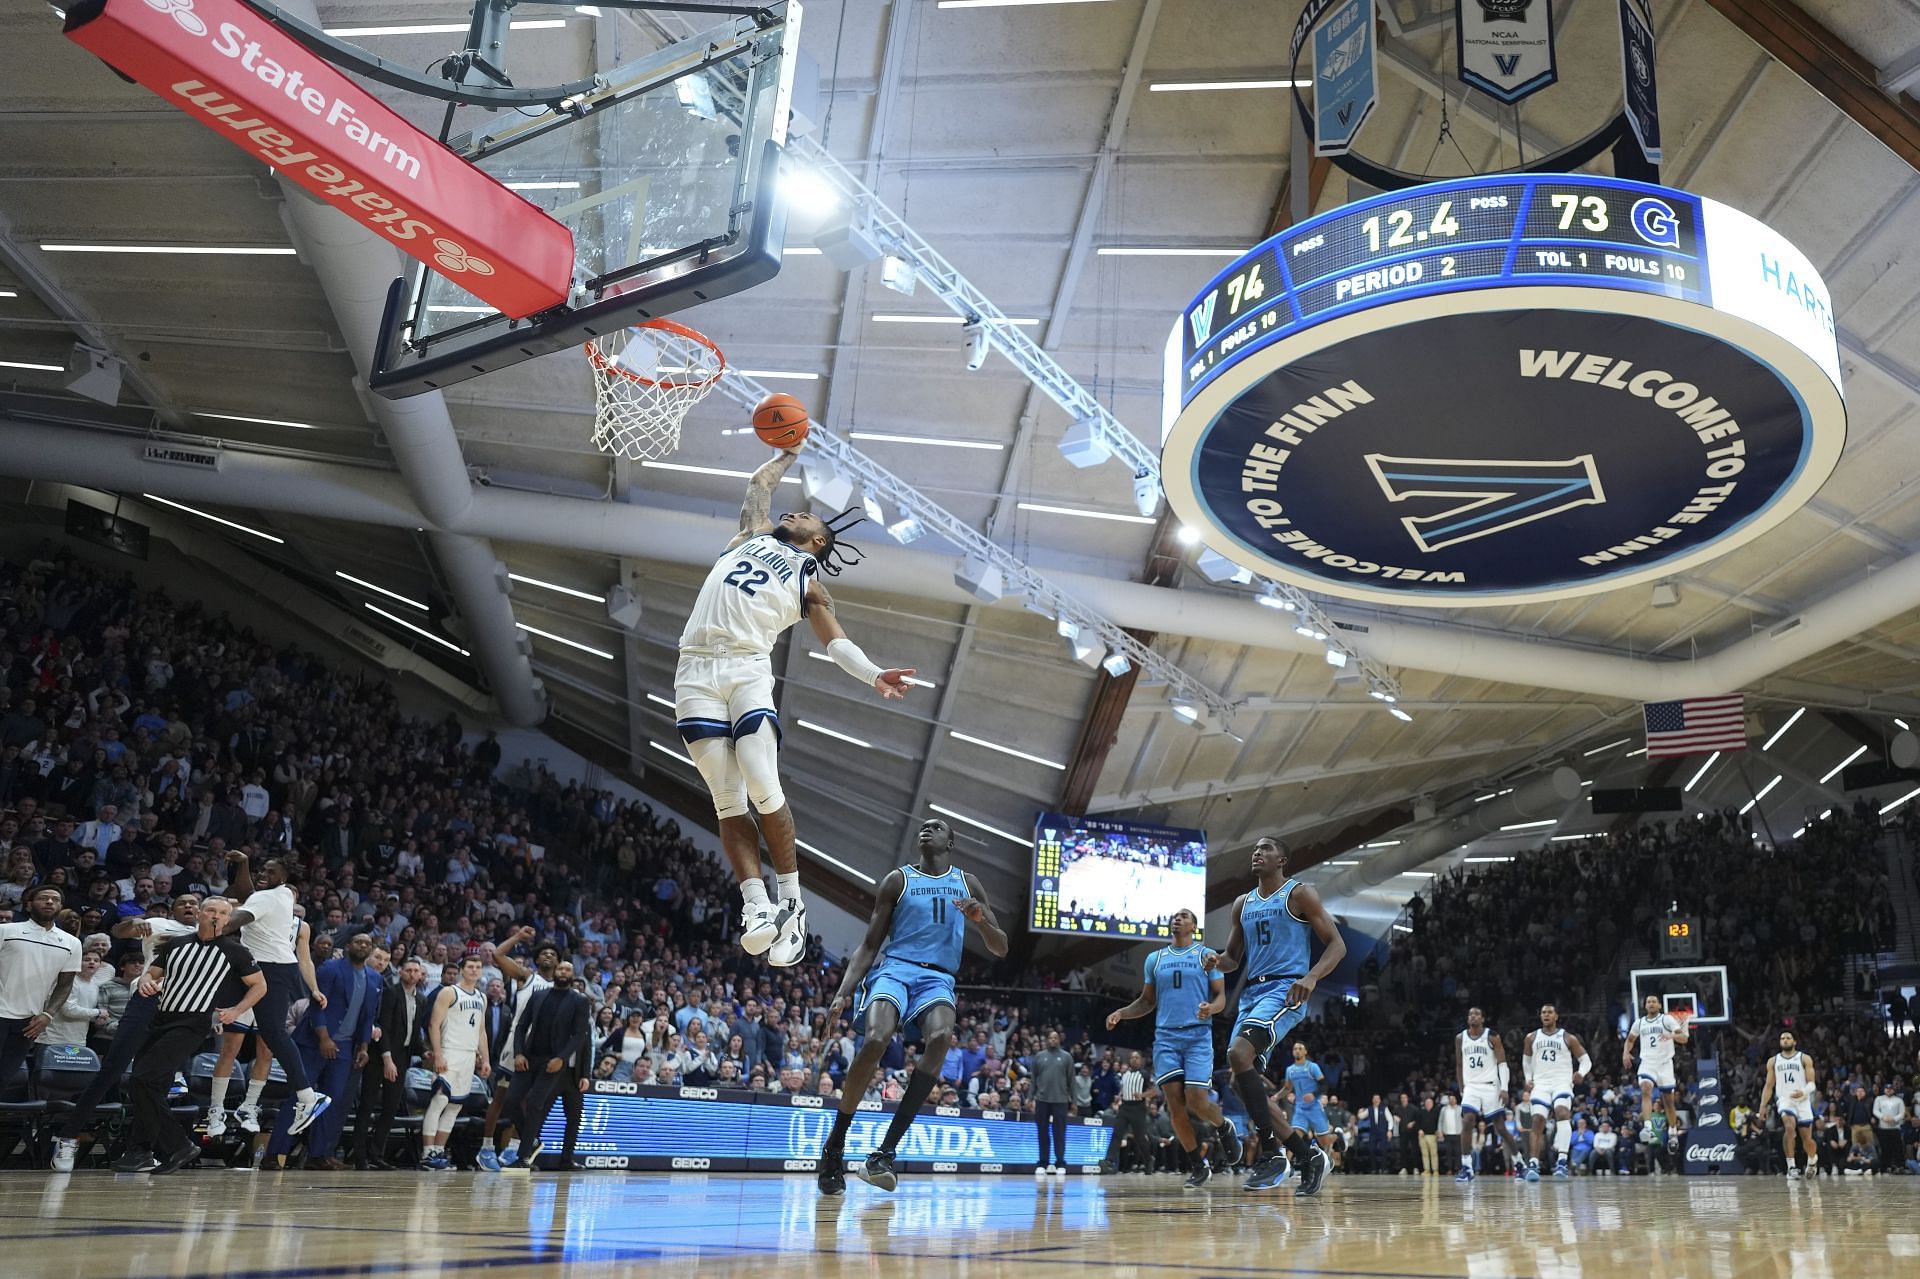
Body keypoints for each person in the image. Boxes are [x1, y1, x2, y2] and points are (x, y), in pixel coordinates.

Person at [675, 449, 916, 967]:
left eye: (805, 516)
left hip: (746, 667)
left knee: (761, 779)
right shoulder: (751, 535)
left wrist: (875, 674)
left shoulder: (811, 584)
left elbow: (837, 645)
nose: (794, 512)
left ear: (819, 539)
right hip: (694, 667)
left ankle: (793, 902)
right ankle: (757, 906)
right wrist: (788, 450)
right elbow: (758, 484)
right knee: (726, 797)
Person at [817, 816, 1007, 1195]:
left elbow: (1000, 946)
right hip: (895, 969)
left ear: (950, 843)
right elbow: (870, 944)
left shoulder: (967, 884)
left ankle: (884, 1154)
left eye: (937, 827)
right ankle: (835, 1145)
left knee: (941, 1037)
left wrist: (981, 921)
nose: (927, 828)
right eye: (924, 826)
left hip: (938, 978)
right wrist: (842, 992)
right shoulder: (897, 880)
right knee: (876, 1039)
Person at [1207, 835, 1345, 1193]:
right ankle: (1307, 1154)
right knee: (1240, 1079)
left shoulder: (1300, 894)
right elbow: (1233, 958)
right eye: (1255, 848)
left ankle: (1271, 1154)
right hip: (1253, 991)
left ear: (1282, 859)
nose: (1257, 852)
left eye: (1266, 848)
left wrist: (1312, 976)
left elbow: (1337, 945)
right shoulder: (1242, 903)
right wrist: (1215, 960)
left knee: (1238, 1055)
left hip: (1285, 989)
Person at [118, 897, 265, 1174]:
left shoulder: (236, 951)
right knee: (146, 1085)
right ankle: (140, 1151)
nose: (216, 916)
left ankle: (179, 1146)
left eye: (223, 913)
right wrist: (148, 983)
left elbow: (259, 986)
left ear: (228, 920)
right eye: (211, 910)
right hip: (160, 1018)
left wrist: (236, 1011)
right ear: (199, 913)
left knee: (144, 1078)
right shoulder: (176, 944)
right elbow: (153, 973)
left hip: (192, 1022)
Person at [1105, 907, 1240, 1187]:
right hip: (1166, 1038)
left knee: (1197, 1101)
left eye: (1183, 916)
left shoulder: (1206, 956)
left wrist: (1210, 1009)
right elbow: (1146, 1002)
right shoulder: (1155, 959)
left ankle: (1224, 1126)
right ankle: (1197, 1165)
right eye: (1175, 916)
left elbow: (1220, 998)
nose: (1176, 919)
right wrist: (1121, 1013)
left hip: (1197, 1037)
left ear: (1194, 927)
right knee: (1175, 1106)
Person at [220, 853, 329, 1135]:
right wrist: (243, 864)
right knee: (258, 1031)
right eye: (262, 869)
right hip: (259, 967)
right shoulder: (277, 895)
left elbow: (235, 921)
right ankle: (305, 1097)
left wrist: (213, 922)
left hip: (272, 970)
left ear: (285, 875)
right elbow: (247, 893)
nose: (264, 873)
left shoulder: (269, 898)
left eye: (272, 869)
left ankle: (307, 1097)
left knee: (273, 1035)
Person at [265, 932, 378, 1169]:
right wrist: (324, 1037)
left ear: (371, 949)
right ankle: (274, 1155)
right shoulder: (330, 968)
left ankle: (318, 1156)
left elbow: (368, 1017)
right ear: (348, 946)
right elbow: (317, 1005)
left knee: (331, 1102)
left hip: (345, 1048)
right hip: (314, 1043)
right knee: (300, 1099)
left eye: (367, 943)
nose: (363, 945)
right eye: (358, 942)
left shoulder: (375, 978)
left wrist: (364, 1046)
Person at [208, 913, 320, 1139]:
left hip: (274, 990)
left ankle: (249, 1107)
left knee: (267, 1050)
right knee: (230, 1048)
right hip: (245, 985)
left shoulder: (301, 927)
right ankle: (216, 1108)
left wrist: (314, 988)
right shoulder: (257, 914)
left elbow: (305, 960)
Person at [0, 885, 81, 1105]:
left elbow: (65, 985)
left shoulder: (72, 943)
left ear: (60, 907)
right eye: (43, 898)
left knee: (3, 1080)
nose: (49, 902)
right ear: (28, 905)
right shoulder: (6, 931)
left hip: (29, 1022)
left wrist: (48, 1014)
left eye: (55, 899)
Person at [509, 960, 592, 1170]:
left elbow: (581, 1036)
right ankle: (532, 1141)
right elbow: (520, 1026)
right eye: (561, 968)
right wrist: (518, 1053)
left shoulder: (579, 1001)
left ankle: (524, 1156)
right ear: (554, 971)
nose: (563, 972)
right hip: (529, 1057)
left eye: (568, 969)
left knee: (536, 1105)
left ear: (573, 975)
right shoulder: (538, 995)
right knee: (511, 1102)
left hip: (554, 1062)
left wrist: (562, 1058)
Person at [478, 927, 547, 1171]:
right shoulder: (528, 977)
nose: (549, 958)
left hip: (543, 1051)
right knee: (501, 1097)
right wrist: (517, 938)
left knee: (528, 1102)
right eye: (544, 954)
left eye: (554, 955)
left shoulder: (564, 990)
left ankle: (516, 1147)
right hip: (516, 1045)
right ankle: (486, 1147)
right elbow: (497, 955)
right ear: (536, 960)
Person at [421, 954, 491, 1171]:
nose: (474, 970)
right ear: (462, 969)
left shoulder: (482, 997)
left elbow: (481, 1031)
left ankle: (439, 1152)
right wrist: (438, 1054)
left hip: (469, 1055)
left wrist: (485, 1059)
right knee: (439, 1101)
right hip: (449, 1051)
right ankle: (427, 1153)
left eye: (478, 967)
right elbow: (433, 1025)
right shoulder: (449, 992)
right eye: (470, 966)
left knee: (454, 1106)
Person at [357, 953, 425, 1169]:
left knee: (390, 1108)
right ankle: (359, 1157)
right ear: (400, 972)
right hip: (380, 1057)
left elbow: (414, 1032)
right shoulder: (391, 993)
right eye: (409, 970)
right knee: (367, 1106)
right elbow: (384, 1028)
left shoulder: (421, 998)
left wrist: (424, 1052)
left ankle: (377, 1154)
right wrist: (387, 1059)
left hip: (402, 1057)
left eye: (416, 971)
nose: (412, 974)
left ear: (421, 975)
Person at [1521, 1003, 1589, 1181]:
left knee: (1562, 1112)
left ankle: (1562, 1161)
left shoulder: (1567, 1037)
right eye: (1543, 1012)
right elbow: (1526, 1061)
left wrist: (1581, 1073)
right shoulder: (1531, 1037)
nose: (1546, 1015)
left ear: (1556, 1016)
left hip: (1561, 1083)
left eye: (1550, 1012)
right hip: (1541, 1084)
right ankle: (1533, 1164)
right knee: (1537, 1120)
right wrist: (1528, 1078)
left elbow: (1585, 1060)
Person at [1454, 1006, 1519, 1182]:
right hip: (1472, 1087)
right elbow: (1459, 1065)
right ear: (1468, 1019)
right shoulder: (1460, 1038)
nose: (1473, 1017)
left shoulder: (1492, 1036)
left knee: (1500, 1128)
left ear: (1482, 1019)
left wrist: (1504, 1088)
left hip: (1491, 1086)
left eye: (1476, 1014)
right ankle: (1467, 1167)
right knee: (1467, 1120)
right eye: (1470, 1015)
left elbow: (1502, 1063)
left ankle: (1518, 1162)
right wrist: (1462, 1089)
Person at [1622, 995, 1690, 1153]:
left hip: (1665, 1064)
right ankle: (1647, 1128)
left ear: (1659, 1005)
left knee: (1668, 1103)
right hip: (1648, 1063)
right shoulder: (1639, 1022)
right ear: (1645, 1006)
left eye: (1653, 1001)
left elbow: (1684, 1038)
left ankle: (1673, 1132)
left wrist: (1671, 1035)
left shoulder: (1666, 1020)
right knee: (1645, 1089)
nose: (1651, 1004)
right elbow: (1630, 1039)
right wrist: (1626, 1052)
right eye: (1648, 1002)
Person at [1757, 1029, 1818, 1179]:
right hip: (1785, 1099)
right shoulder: (1773, 1061)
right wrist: (1762, 1106)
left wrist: (1803, 1092)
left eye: (1788, 1038)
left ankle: (1812, 1160)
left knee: (1807, 1140)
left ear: (1794, 1042)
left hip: (1802, 1100)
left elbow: (1812, 1084)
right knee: (1789, 1128)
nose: (1785, 1040)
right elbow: (1769, 1085)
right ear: (1779, 1042)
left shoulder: (1804, 1058)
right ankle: (1791, 1167)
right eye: (1782, 1038)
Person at [1279, 1042, 1336, 1174]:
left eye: (1300, 1049)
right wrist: (1276, 1097)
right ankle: (1287, 1167)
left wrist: (1314, 1094)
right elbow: (1287, 1088)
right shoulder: (1290, 1070)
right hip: (1300, 1108)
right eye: (1295, 1049)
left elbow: (1324, 1085)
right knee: (1294, 1138)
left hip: (1314, 1107)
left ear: (1305, 1052)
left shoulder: (1312, 1067)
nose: (1297, 1051)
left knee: (1324, 1140)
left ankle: (1337, 1136)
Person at [1029, 1029, 1075, 1176]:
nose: (1053, 1040)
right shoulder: (1039, 1056)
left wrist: (1074, 1101)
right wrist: (1030, 1097)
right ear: (1047, 1040)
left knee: (1059, 1133)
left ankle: (1060, 1163)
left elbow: (1071, 1080)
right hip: (1042, 1100)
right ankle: (1043, 1162)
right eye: (1051, 1038)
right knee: (1042, 1132)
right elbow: (1033, 1080)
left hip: (1060, 1100)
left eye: (1056, 1038)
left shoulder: (1066, 1057)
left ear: (1059, 1040)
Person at [1873, 1081, 1908, 1174]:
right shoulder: (1879, 1099)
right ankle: (1885, 1167)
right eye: (1887, 1089)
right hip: (1883, 1128)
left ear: (1893, 1090)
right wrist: (1882, 1117)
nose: (1888, 1091)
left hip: (1895, 1127)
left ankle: (1899, 1166)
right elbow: (1875, 1111)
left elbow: (1902, 1113)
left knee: (1897, 1148)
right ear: (1884, 1090)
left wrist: (1894, 1118)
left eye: (1890, 1089)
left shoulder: (1899, 1100)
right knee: (1884, 1148)